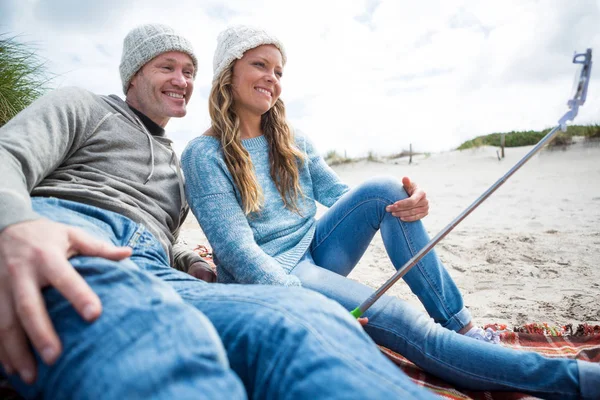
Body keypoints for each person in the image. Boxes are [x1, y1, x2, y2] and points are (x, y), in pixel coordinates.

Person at [0, 23, 451, 399]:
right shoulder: (84, 106)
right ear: (133, 74)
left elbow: (153, 235)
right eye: (167, 67)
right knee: (153, 344)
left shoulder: (177, 169)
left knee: (306, 320)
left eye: (189, 71)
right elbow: (8, 156)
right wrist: (15, 224)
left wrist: (188, 260)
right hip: (73, 237)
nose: (182, 79)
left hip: (157, 269)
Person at [181, 25, 600, 400]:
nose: (272, 78)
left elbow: (343, 195)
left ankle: (461, 325)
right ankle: (575, 380)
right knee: (402, 320)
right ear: (228, 74)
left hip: (313, 250)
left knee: (384, 189)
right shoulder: (204, 154)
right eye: (260, 65)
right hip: (271, 276)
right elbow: (235, 250)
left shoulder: (292, 139)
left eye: (279, 71)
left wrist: (406, 202)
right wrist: (304, 300)